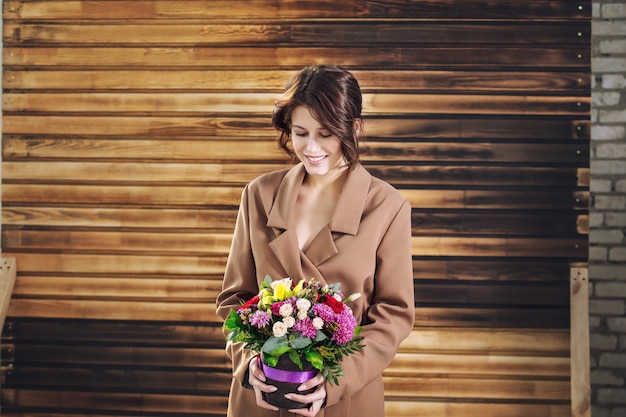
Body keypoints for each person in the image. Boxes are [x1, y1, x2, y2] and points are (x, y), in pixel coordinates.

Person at [216, 65, 415, 417]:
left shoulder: (386, 206)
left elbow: (393, 315)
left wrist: (335, 381)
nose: (311, 148)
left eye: (325, 134)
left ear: (352, 129)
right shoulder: (259, 195)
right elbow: (235, 299)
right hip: (261, 397)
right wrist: (249, 365)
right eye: (300, 132)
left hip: (344, 398)